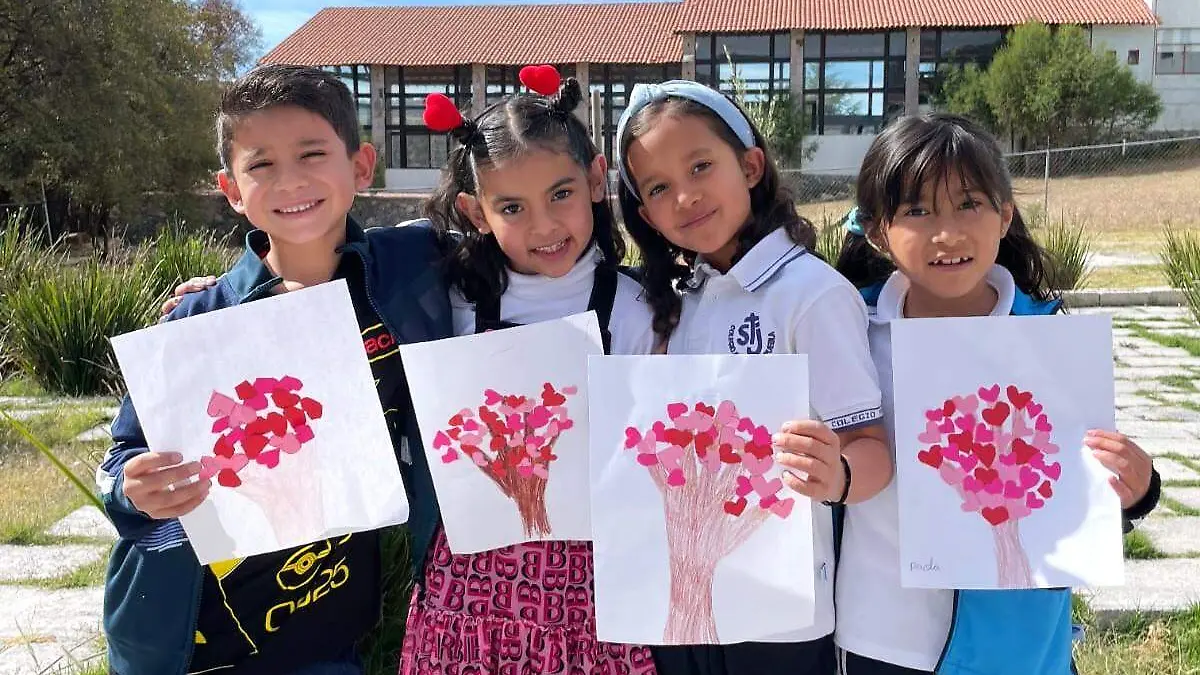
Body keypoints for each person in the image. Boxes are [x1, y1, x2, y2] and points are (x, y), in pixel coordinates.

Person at [97, 63, 453, 675]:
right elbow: (121, 460)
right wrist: (133, 487)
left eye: (312, 154)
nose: (290, 181)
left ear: (361, 166)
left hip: (326, 633)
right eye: (261, 164)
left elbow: (515, 227)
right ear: (232, 189)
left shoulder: (407, 273)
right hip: (188, 636)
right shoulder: (199, 322)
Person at [832, 112, 1161, 675]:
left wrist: (1136, 491)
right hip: (880, 633)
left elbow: (1077, 485)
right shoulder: (850, 331)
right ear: (879, 232)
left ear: (1004, 215)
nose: (948, 233)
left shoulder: (1049, 338)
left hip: (1014, 639)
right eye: (917, 211)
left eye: (969, 204)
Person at [613, 79, 893, 675]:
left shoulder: (812, 295)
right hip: (680, 600)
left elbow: (872, 450)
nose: (685, 196)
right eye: (658, 187)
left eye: (700, 166)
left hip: (779, 612)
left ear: (750, 166)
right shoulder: (674, 301)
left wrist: (838, 476)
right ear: (645, 216)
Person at [397, 67, 658, 674]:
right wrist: (226, 292)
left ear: (596, 180)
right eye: (512, 207)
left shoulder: (639, 308)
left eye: (561, 194)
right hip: (467, 585)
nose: (543, 226)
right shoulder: (449, 303)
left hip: (598, 583)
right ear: (476, 212)